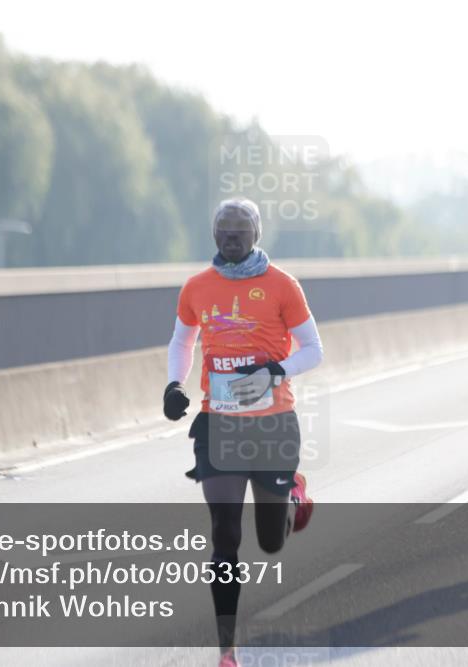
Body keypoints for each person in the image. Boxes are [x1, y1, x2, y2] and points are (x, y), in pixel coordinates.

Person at [162, 198, 323, 667]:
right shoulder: (196, 287)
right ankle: (227, 651)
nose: (231, 237)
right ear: (214, 236)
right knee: (224, 534)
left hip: (273, 424)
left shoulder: (282, 286)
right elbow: (182, 339)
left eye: (240, 230)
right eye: (224, 230)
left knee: (270, 541)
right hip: (219, 425)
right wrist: (175, 383)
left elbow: (314, 349)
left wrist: (277, 370)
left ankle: (292, 494)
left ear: (256, 234)